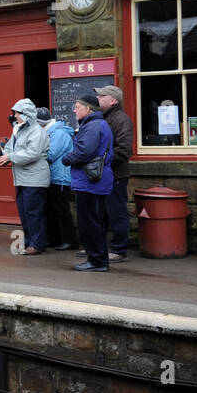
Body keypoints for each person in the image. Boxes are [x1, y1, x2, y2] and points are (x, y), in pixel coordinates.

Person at [63, 93, 114, 272]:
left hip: (90, 181)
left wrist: (66, 158)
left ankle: (97, 261)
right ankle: (98, 259)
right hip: (93, 180)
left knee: (89, 223)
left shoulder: (93, 125)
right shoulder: (96, 124)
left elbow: (84, 151)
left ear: (88, 109)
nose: (74, 110)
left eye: (77, 106)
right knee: (95, 222)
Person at [0, 98, 49, 254]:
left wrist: (10, 157)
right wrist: (1, 153)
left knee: (34, 212)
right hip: (23, 178)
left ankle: (37, 245)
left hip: (35, 178)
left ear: (27, 114)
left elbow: (32, 153)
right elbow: (11, 148)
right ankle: (29, 242)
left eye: (17, 113)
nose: (15, 116)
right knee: (25, 212)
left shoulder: (36, 131)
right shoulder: (19, 129)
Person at [96, 85, 133, 262]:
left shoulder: (121, 119)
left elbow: (124, 149)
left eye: (101, 96)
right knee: (100, 212)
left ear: (113, 100)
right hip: (102, 175)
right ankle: (99, 247)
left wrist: (101, 161)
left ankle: (119, 249)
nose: (97, 99)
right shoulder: (102, 118)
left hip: (115, 175)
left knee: (116, 212)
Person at [38, 107, 77, 250]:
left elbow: (50, 155)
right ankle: (54, 239)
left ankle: (69, 240)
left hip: (60, 177)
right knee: (51, 210)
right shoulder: (50, 132)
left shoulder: (59, 133)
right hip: (51, 176)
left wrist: (35, 150)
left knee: (62, 210)